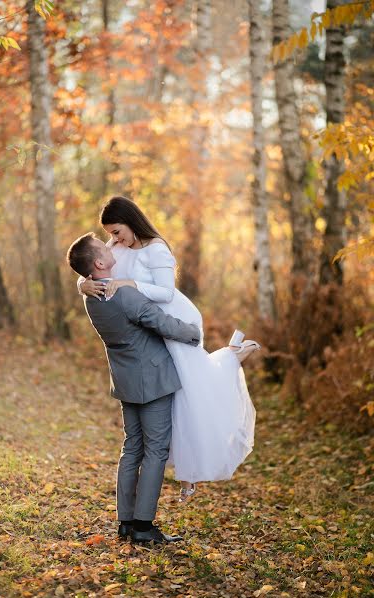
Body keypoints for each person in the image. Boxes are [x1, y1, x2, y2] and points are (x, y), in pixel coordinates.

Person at [79, 196, 259, 502]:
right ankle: (186, 468)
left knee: (191, 390)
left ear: (131, 222)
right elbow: (90, 268)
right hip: (146, 325)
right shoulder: (116, 248)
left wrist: (129, 284)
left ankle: (232, 358)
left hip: (171, 318)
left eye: (117, 231)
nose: (114, 238)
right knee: (172, 400)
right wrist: (81, 286)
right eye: (110, 233)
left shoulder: (156, 249)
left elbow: (164, 293)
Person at [67, 233, 201, 544]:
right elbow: (162, 322)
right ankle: (143, 526)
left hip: (126, 379)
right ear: (99, 262)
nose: (109, 243)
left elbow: (87, 281)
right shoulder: (124, 296)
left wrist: (79, 283)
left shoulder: (91, 297)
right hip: (152, 380)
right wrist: (195, 332)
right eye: (103, 245)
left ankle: (125, 522)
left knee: (132, 449)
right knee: (155, 451)